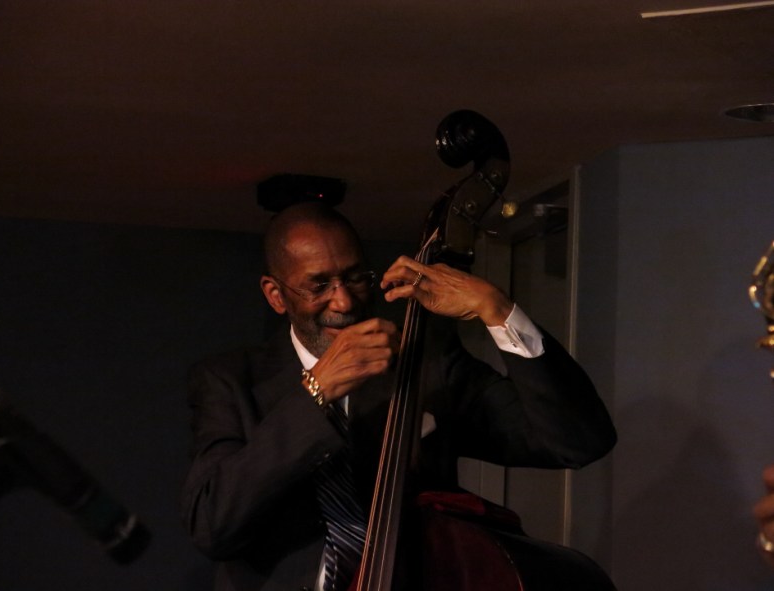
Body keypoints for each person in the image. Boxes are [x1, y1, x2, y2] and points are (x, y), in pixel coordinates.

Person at [180, 201, 617, 591]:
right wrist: (316, 392)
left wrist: (497, 309)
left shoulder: (425, 361)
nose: (344, 301)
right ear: (276, 295)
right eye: (318, 286)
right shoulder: (229, 380)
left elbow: (576, 442)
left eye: (356, 278)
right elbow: (214, 526)